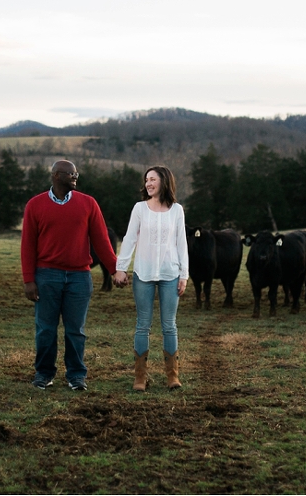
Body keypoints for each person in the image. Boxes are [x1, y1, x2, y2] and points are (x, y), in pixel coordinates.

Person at [21, 159, 118, 391]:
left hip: (79, 278)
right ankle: (44, 373)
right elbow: (27, 246)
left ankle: (76, 375)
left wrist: (115, 270)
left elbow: (101, 241)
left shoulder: (88, 203)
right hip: (46, 276)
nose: (75, 177)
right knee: (46, 329)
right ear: (56, 175)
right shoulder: (35, 205)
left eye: (76, 174)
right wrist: (29, 280)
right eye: (70, 174)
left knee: (76, 330)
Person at [113, 165, 188, 391]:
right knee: (142, 326)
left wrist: (183, 274)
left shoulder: (177, 210)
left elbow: (181, 243)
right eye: (146, 180)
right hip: (143, 274)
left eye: (153, 179)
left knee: (169, 326)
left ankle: (172, 376)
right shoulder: (139, 209)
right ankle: (140, 378)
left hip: (170, 274)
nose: (148, 183)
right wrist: (121, 267)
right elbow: (129, 239)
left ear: (164, 181)